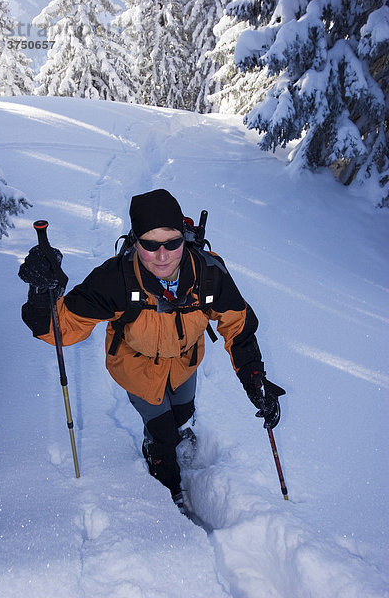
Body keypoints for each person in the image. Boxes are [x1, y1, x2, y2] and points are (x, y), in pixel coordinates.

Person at [19, 189, 281, 511]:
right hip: (136, 368)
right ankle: (166, 476)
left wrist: (256, 382)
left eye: (172, 242)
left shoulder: (208, 276)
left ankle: (178, 434)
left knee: (183, 415)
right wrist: (40, 293)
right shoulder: (115, 279)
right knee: (163, 434)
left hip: (185, 363)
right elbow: (59, 328)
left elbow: (238, 328)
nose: (162, 255)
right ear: (135, 241)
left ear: (183, 238)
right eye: (149, 244)